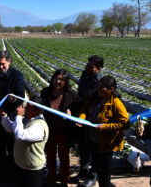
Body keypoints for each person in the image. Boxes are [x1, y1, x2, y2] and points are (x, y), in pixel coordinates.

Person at [78, 76, 130, 187]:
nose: (99, 89)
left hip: (107, 144)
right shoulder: (94, 98)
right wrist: (81, 118)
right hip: (93, 140)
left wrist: (105, 127)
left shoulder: (116, 103)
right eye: (99, 86)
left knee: (104, 173)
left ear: (111, 89)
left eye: (102, 88)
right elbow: (84, 109)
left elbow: (125, 123)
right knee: (97, 168)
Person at [0, 50, 25, 181]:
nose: (0, 67)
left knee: (12, 147)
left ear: (9, 61)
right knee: (0, 146)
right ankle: (3, 174)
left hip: (10, 117)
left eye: (3, 64)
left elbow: (21, 97)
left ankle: (13, 175)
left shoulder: (17, 76)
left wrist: (13, 100)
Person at [1, 96, 49, 187]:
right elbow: (10, 128)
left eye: (29, 107)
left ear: (37, 110)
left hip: (32, 171)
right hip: (21, 166)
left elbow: (20, 135)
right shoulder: (27, 119)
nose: (25, 108)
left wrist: (18, 116)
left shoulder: (39, 126)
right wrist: (4, 116)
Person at [40, 69, 77, 187]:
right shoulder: (45, 92)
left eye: (61, 79)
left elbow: (78, 109)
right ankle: (50, 178)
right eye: (56, 78)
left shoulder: (71, 95)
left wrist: (71, 112)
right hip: (49, 128)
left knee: (64, 156)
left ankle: (64, 180)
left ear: (66, 81)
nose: (57, 81)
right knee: (50, 154)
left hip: (64, 130)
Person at [71, 55, 104, 185]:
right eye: (87, 65)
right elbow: (81, 94)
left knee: (94, 146)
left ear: (99, 69)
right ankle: (83, 171)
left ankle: (93, 175)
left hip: (93, 116)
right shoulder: (84, 75)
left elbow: (89, 97)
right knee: (82, 145)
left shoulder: (99, 82)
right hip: (82, 113)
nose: (87, 68)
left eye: (91, 67)